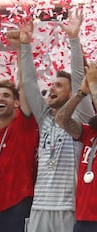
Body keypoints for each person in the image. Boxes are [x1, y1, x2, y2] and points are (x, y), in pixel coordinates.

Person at [19, 10, 94, 232]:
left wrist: (73, 39)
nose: (51, 88)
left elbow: (80, 77)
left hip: (69, 207)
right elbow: (30, 83)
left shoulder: (80, 116)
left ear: (73, 93)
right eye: (51, 84)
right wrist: (25, 46)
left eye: (59, 85)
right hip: (40, 206)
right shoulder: (44, 118)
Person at [0, 79, 38, 232]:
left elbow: (26, 84)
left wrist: (21, 54)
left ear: (16, 103)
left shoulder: (23, 125)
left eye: (6, 95)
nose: (0, 98)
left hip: (17, 206)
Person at [55, 63, 97, 232]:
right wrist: (81, 93)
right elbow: (61, 119)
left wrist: (94, 85)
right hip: (83, 218)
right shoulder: (89, 133)